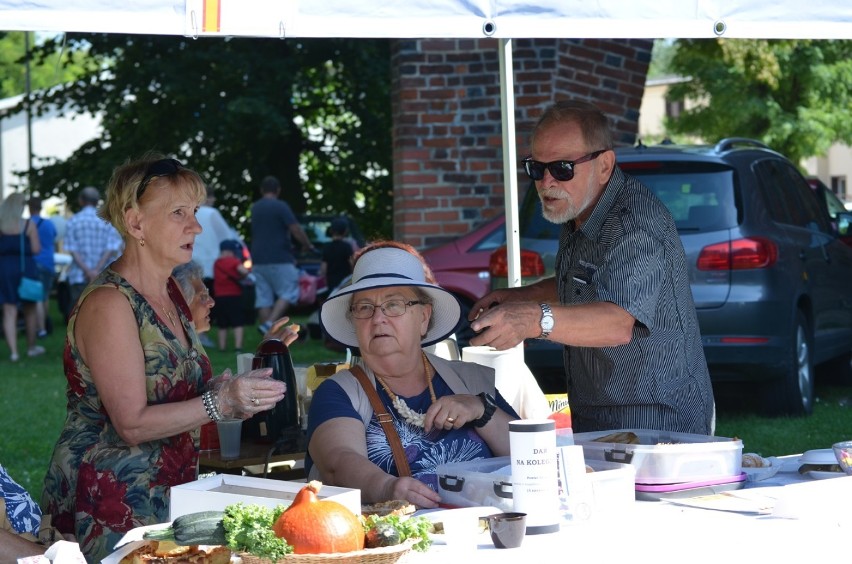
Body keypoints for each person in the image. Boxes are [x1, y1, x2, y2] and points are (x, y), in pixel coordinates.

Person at [41, 154, 287, 562]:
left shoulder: (172, 291)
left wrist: (232, 389)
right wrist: (219, 403)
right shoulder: (110, 303)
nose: (196, 226)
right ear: (135, 223)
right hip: (107, 503)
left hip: (163, 492)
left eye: (194, 211)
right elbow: (132, 422)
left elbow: (176, 390)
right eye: (178, 213)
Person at [469, 100, 715, 435]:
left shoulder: (634, 224)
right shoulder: (582, 208)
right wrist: (518, 298)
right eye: (536, 169)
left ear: (604, 165)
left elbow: (617, 323)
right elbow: (583, 284)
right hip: (598, 414)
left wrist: (532, 319)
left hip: (657, 422)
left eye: (563, 168)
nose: (546, 182)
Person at [307, 244, 519, 508]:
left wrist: (482, 409)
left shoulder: (470, 381)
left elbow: (531, 457)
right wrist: (386, 488)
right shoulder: (339, 393)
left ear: (424, 317)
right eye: (364, 308)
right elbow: (337, 463)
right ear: (353, 321)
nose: (378, 319)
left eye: (393, 305)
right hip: (397, 543)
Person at [249, 175, 315, 335]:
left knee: (264, 297)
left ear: (261, 190)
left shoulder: (255, 208)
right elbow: (295, 229)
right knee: (289, 290)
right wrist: (307, 245)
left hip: (257, 259)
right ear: (278, 190)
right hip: (280, 257)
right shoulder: (281, 206)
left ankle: (269, 338)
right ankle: (269, 324)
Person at [0, 192, 44, 362]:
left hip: (4, 270)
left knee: (9, 310)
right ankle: (31, 347)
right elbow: (36, 249)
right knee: (30, 309)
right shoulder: (28, 225)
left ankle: (14, 352)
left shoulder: (1, 225)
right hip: (26, 269)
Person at [64, 186, 123, 308]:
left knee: (78, 315)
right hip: (103, 275)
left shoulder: (73, 221)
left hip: (79, 275)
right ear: (97, 201)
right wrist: (96, 270)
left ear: (81, 201)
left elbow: (72, 250)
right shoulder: (106, 221)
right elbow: (111, 248)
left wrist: (87, 271)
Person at [191, 184, 233, 347]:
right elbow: (226, 236)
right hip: (210, 265)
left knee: (193, 300)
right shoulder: (212, 213)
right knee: (206, 301)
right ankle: (203, 335)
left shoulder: (188, 211)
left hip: (190, 263)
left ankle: (195, 334)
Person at [27, 196, 58, 338]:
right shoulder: (49, 224)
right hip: (48, 263)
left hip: (33, 263)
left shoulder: (27, 224)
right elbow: (54, 239)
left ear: (29, 207)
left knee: (36, 298)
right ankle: (45, 324)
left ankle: (40, 329)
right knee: (45, 296)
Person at [213, 239, 250, 353]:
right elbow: (244, 271)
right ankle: (238, 347)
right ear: (230, 251)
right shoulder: (234, 261)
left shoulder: (217, 263)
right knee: (237, 322)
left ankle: (222, 348)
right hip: (233, 295)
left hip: (219, 296)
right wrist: (244, 274)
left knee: (222, 324)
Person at [319, 217, 355, 294]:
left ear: (331, 231)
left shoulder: (326, 247)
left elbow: (323, 268)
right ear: (345, 231)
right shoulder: (347, 246)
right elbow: (352, 264)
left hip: (331, 283)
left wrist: (324, 280)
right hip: (345, 283)